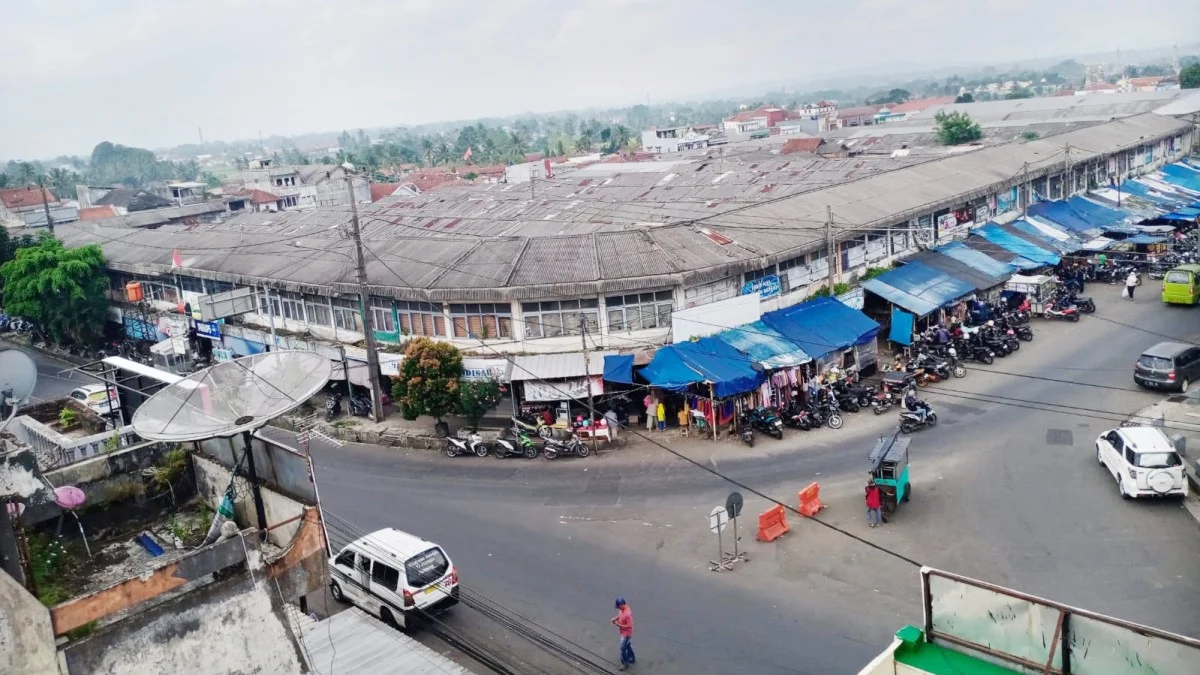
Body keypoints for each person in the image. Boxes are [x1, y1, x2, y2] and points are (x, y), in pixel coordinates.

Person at [612, 597, 635, 670]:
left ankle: (625, 663)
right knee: (627, 645)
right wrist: (615, 618)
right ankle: (632, 658)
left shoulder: (628, 614)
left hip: (626, 634)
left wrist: (618, 625)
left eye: (619, 606)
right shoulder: (622, 609)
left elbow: (629, 626)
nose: (618, 608)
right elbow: (620, 614)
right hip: (623, 632)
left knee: (622, 648)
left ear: (622, 605)